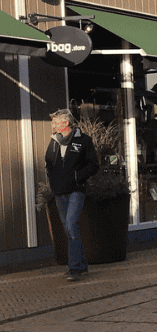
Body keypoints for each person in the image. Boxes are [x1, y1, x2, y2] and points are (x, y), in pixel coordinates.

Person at [45, 109, 100, 280]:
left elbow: (93, 165)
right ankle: (81, 264)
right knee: (69, 230)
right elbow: (49, 164)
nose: (53, 125)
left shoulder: (83, 141)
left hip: (76, 190)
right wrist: (53, 183)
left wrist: (78, 176)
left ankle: (74, 268)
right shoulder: (53, 142)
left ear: (65, 123)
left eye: (55, 122)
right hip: (60, 192)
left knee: (70, 225)